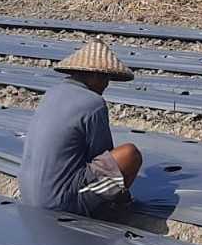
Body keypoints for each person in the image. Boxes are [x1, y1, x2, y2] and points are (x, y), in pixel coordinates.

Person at [18, 39, 143, 216]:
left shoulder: (52, 93)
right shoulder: (93, 103)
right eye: (105, 78)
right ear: (95, 76)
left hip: (28, 195)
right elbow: (103, 156)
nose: (106, 85)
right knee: (129, 155)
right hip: (59, 202)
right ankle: (113, 207)